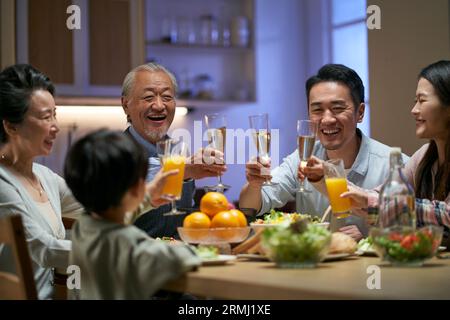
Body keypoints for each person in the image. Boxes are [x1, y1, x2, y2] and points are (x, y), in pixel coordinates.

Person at [239, 64, 409, 241]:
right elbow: (252, 206)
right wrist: (254, 185)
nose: (327, 119)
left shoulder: (396, 166)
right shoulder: (302, 159)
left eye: (338, 108)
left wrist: (370, 237)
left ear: (360, 112)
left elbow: (411, 228)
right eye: (317, 110)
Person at [65, 129, 201, 299]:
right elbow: (181, 258)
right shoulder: (131, 243)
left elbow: (125, 212)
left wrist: (149, 195)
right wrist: (181, 246)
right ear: (137, 187)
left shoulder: (84, 226)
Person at [341, 60, 450, 244]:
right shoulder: (424, 155)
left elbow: (447, 215)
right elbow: (384, 197)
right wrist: (330, 181)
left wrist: (372, 202)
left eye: (422, 101)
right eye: (415, 101)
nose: (414, 110)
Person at [121, 62, 226, 238]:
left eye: (167, 97)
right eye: (148, 97)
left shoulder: (178, 149)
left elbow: (184, 217)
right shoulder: (113, 152)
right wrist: (184, 169)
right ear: (125, 105)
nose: (159, 105)